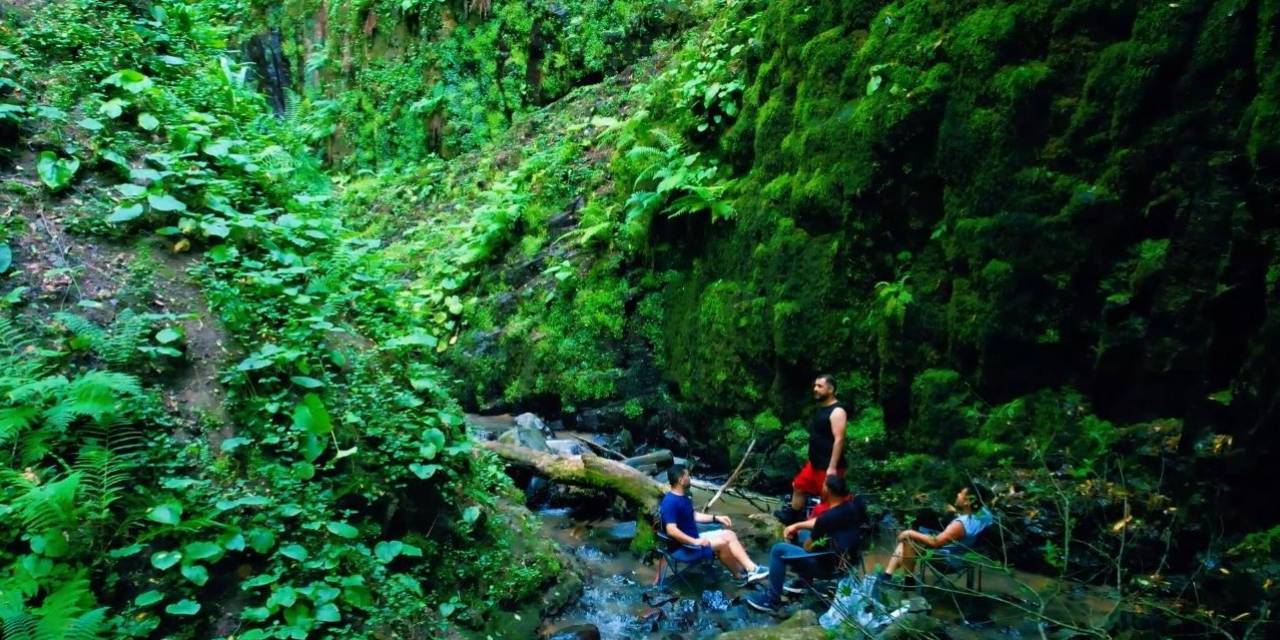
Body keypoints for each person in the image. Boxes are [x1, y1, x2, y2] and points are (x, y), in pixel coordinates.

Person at [747, 476, 867, 613]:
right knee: (802, 532)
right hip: (847, 563)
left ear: (828, 491)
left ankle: (771, 600)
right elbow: (821, 522)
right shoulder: (852, 507)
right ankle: (803, 584)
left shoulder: (826, 518)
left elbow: (808, 546)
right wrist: (797, 525)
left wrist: (794, 541)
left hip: (827, 568)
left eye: (823, 486)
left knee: (778, 550)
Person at [659, 464, 770, 584]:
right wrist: (695, 542)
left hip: (694, 540)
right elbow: (671, 530)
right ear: (681, 480)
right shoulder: (670, 502)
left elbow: (693, 515)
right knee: (723, 543)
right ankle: (740, 575)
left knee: (729, 534)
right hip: (685, 548)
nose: (689, 478)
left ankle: (750, 570)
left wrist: (716, 518)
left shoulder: (684, 497)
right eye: (687, 475)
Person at [875, 484, 993, 588]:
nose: (957, 494)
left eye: (961, 494)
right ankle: (889, 575)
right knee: (914, 537)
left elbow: (935, 542)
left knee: (909, 539)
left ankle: (906, 579)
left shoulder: (960, 524)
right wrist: (954, 513)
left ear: (968, 501)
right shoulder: (986, 515)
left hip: (949, 559)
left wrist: (909, 532)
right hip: (966, 552)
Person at [774, 374, 847, 525]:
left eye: (820, 386)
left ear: (831, 389)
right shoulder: (822, 408)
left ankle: (822, 531)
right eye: (815, 386)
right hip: (814, 464)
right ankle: (793, 516)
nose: (815, 389)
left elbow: (839, 439)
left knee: (827, 499)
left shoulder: (837, 411)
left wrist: (832, 468)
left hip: (828, 466)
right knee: (798, 486)